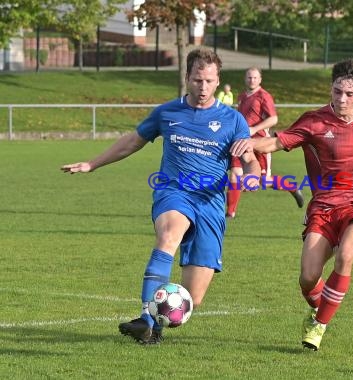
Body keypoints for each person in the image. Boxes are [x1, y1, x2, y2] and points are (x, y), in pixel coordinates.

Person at [61, 48, 261, 344]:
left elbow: (250, 160)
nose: (202, 87)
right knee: (169, 236)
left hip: (211, 204)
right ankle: (145, 320)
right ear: (186, 78)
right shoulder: (168, 112)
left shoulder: (233, 120)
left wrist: (253, 174)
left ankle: (157, 322)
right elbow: (132, 142)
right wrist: (92, 163)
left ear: (218, 80)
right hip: (174, 191)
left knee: (192, 298)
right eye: (196, 80)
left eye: (208, 80)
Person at [231, 59, 353, 351]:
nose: (341, 99)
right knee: (308, 278)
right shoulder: (314, 121)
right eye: (336, 92)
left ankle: (319, 326)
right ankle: (320, 309)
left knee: (346, 255)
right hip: (325, 204)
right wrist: (247, 143)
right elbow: (276, 143)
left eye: (348, 94)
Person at [226, 66, 304, 218]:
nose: (252, 80)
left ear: (260, 79)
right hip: (241, 141)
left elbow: (273, 119)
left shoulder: (264, 96)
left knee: (264, 181)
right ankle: (230, 213)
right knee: (235, 173)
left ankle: (292, 187)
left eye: (255, 77)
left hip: (260, 142)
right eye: (249, 77)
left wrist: (254, 129)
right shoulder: (242, 96)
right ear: (245, 78)